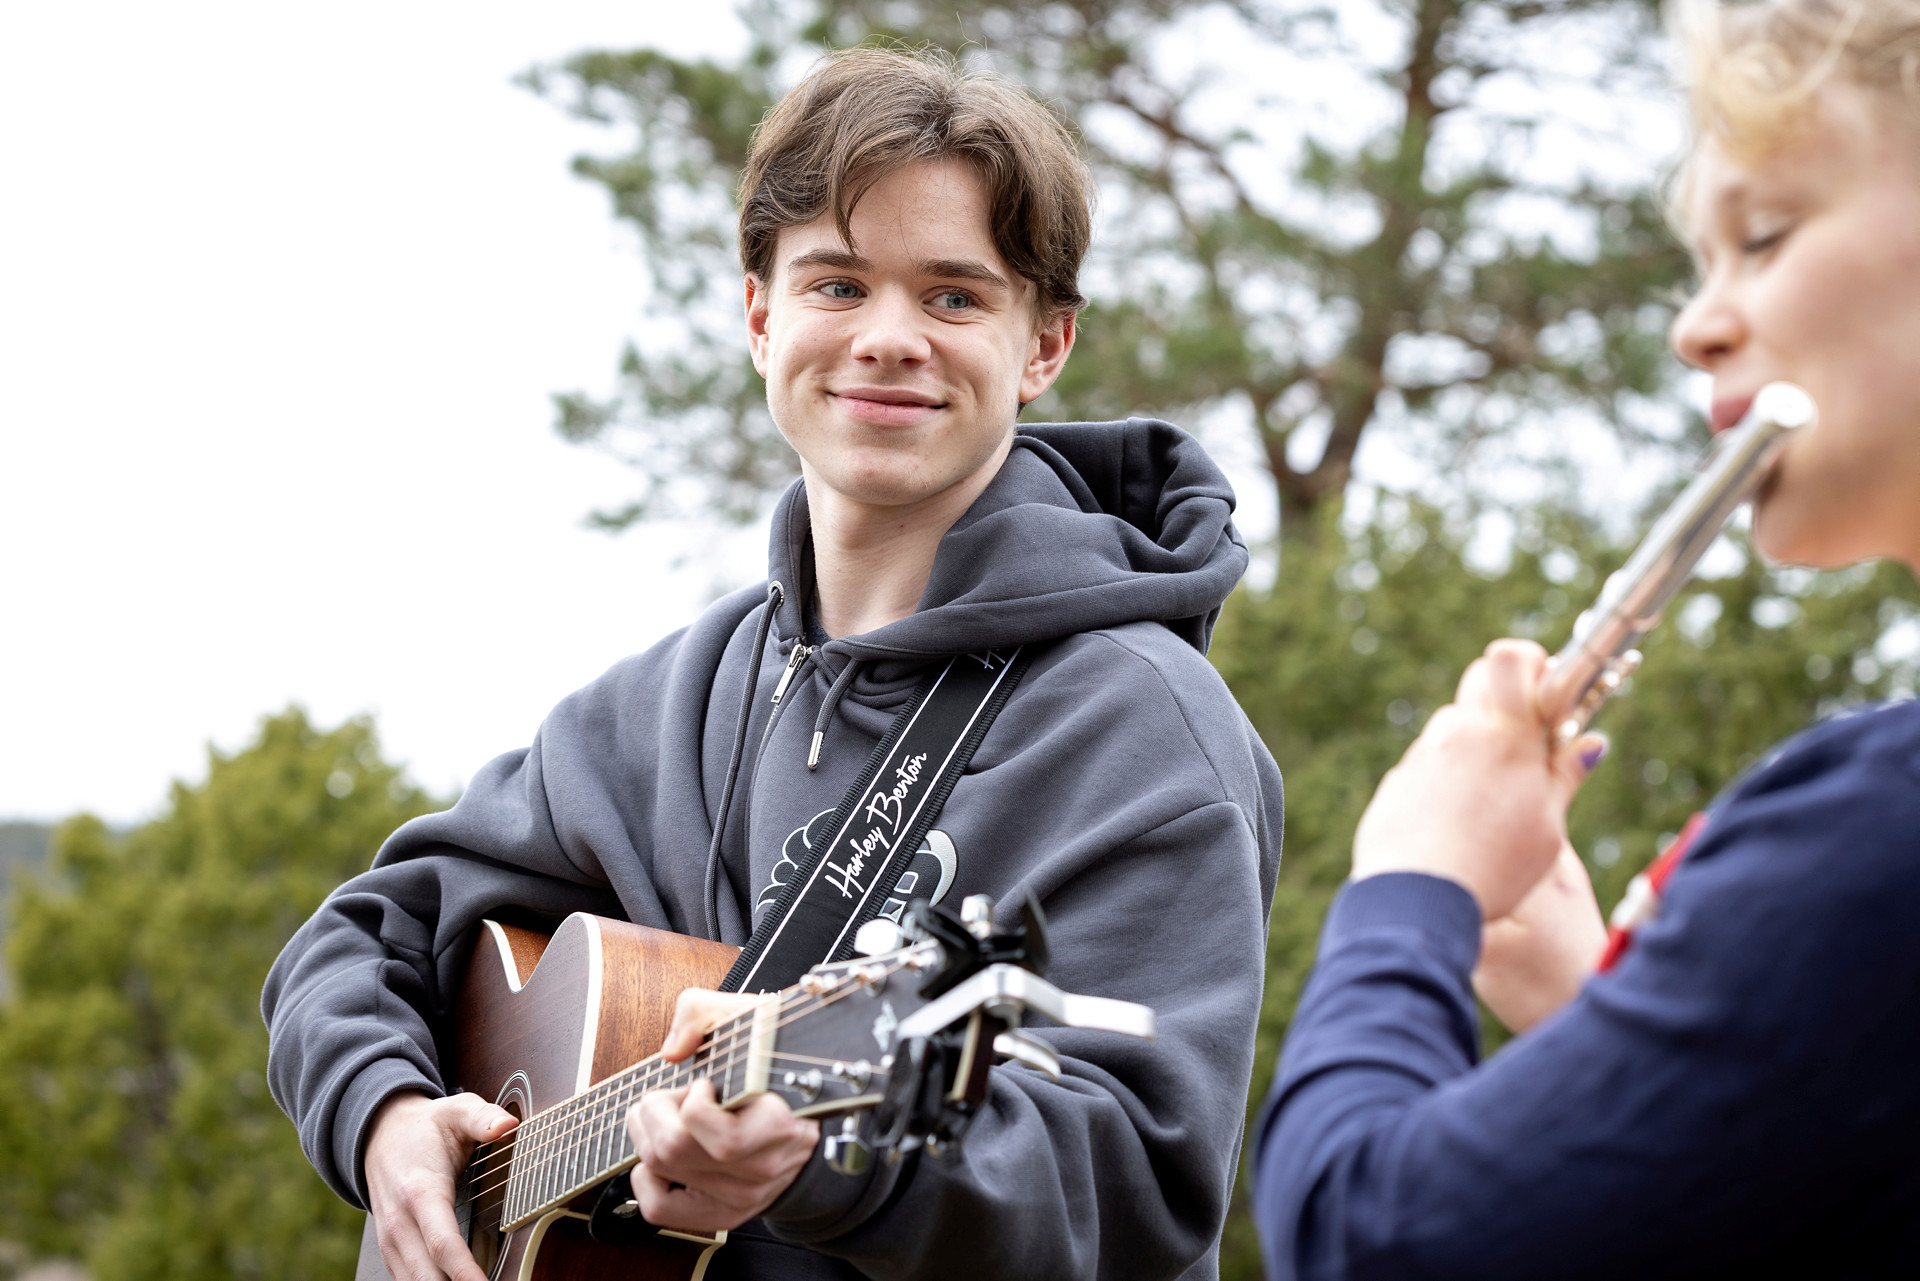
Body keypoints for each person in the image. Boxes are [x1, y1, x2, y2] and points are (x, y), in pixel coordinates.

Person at [263, 48, 1284, 1281]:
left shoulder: (1142, 728)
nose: (891, 339)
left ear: (1044, 346)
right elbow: (366, 932)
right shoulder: (677, 696)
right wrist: (381, 1116)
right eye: (838, 284)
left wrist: (836, 1165)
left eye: (956, 297)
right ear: (761, 316)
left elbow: (1135, 1183)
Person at [1251, 0, 1920, 1276]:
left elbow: (1359, 1236)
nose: (1695, 324)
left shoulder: (1883, 833)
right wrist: (1602, 1015)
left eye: (1765, 235)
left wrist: (1412, 885)